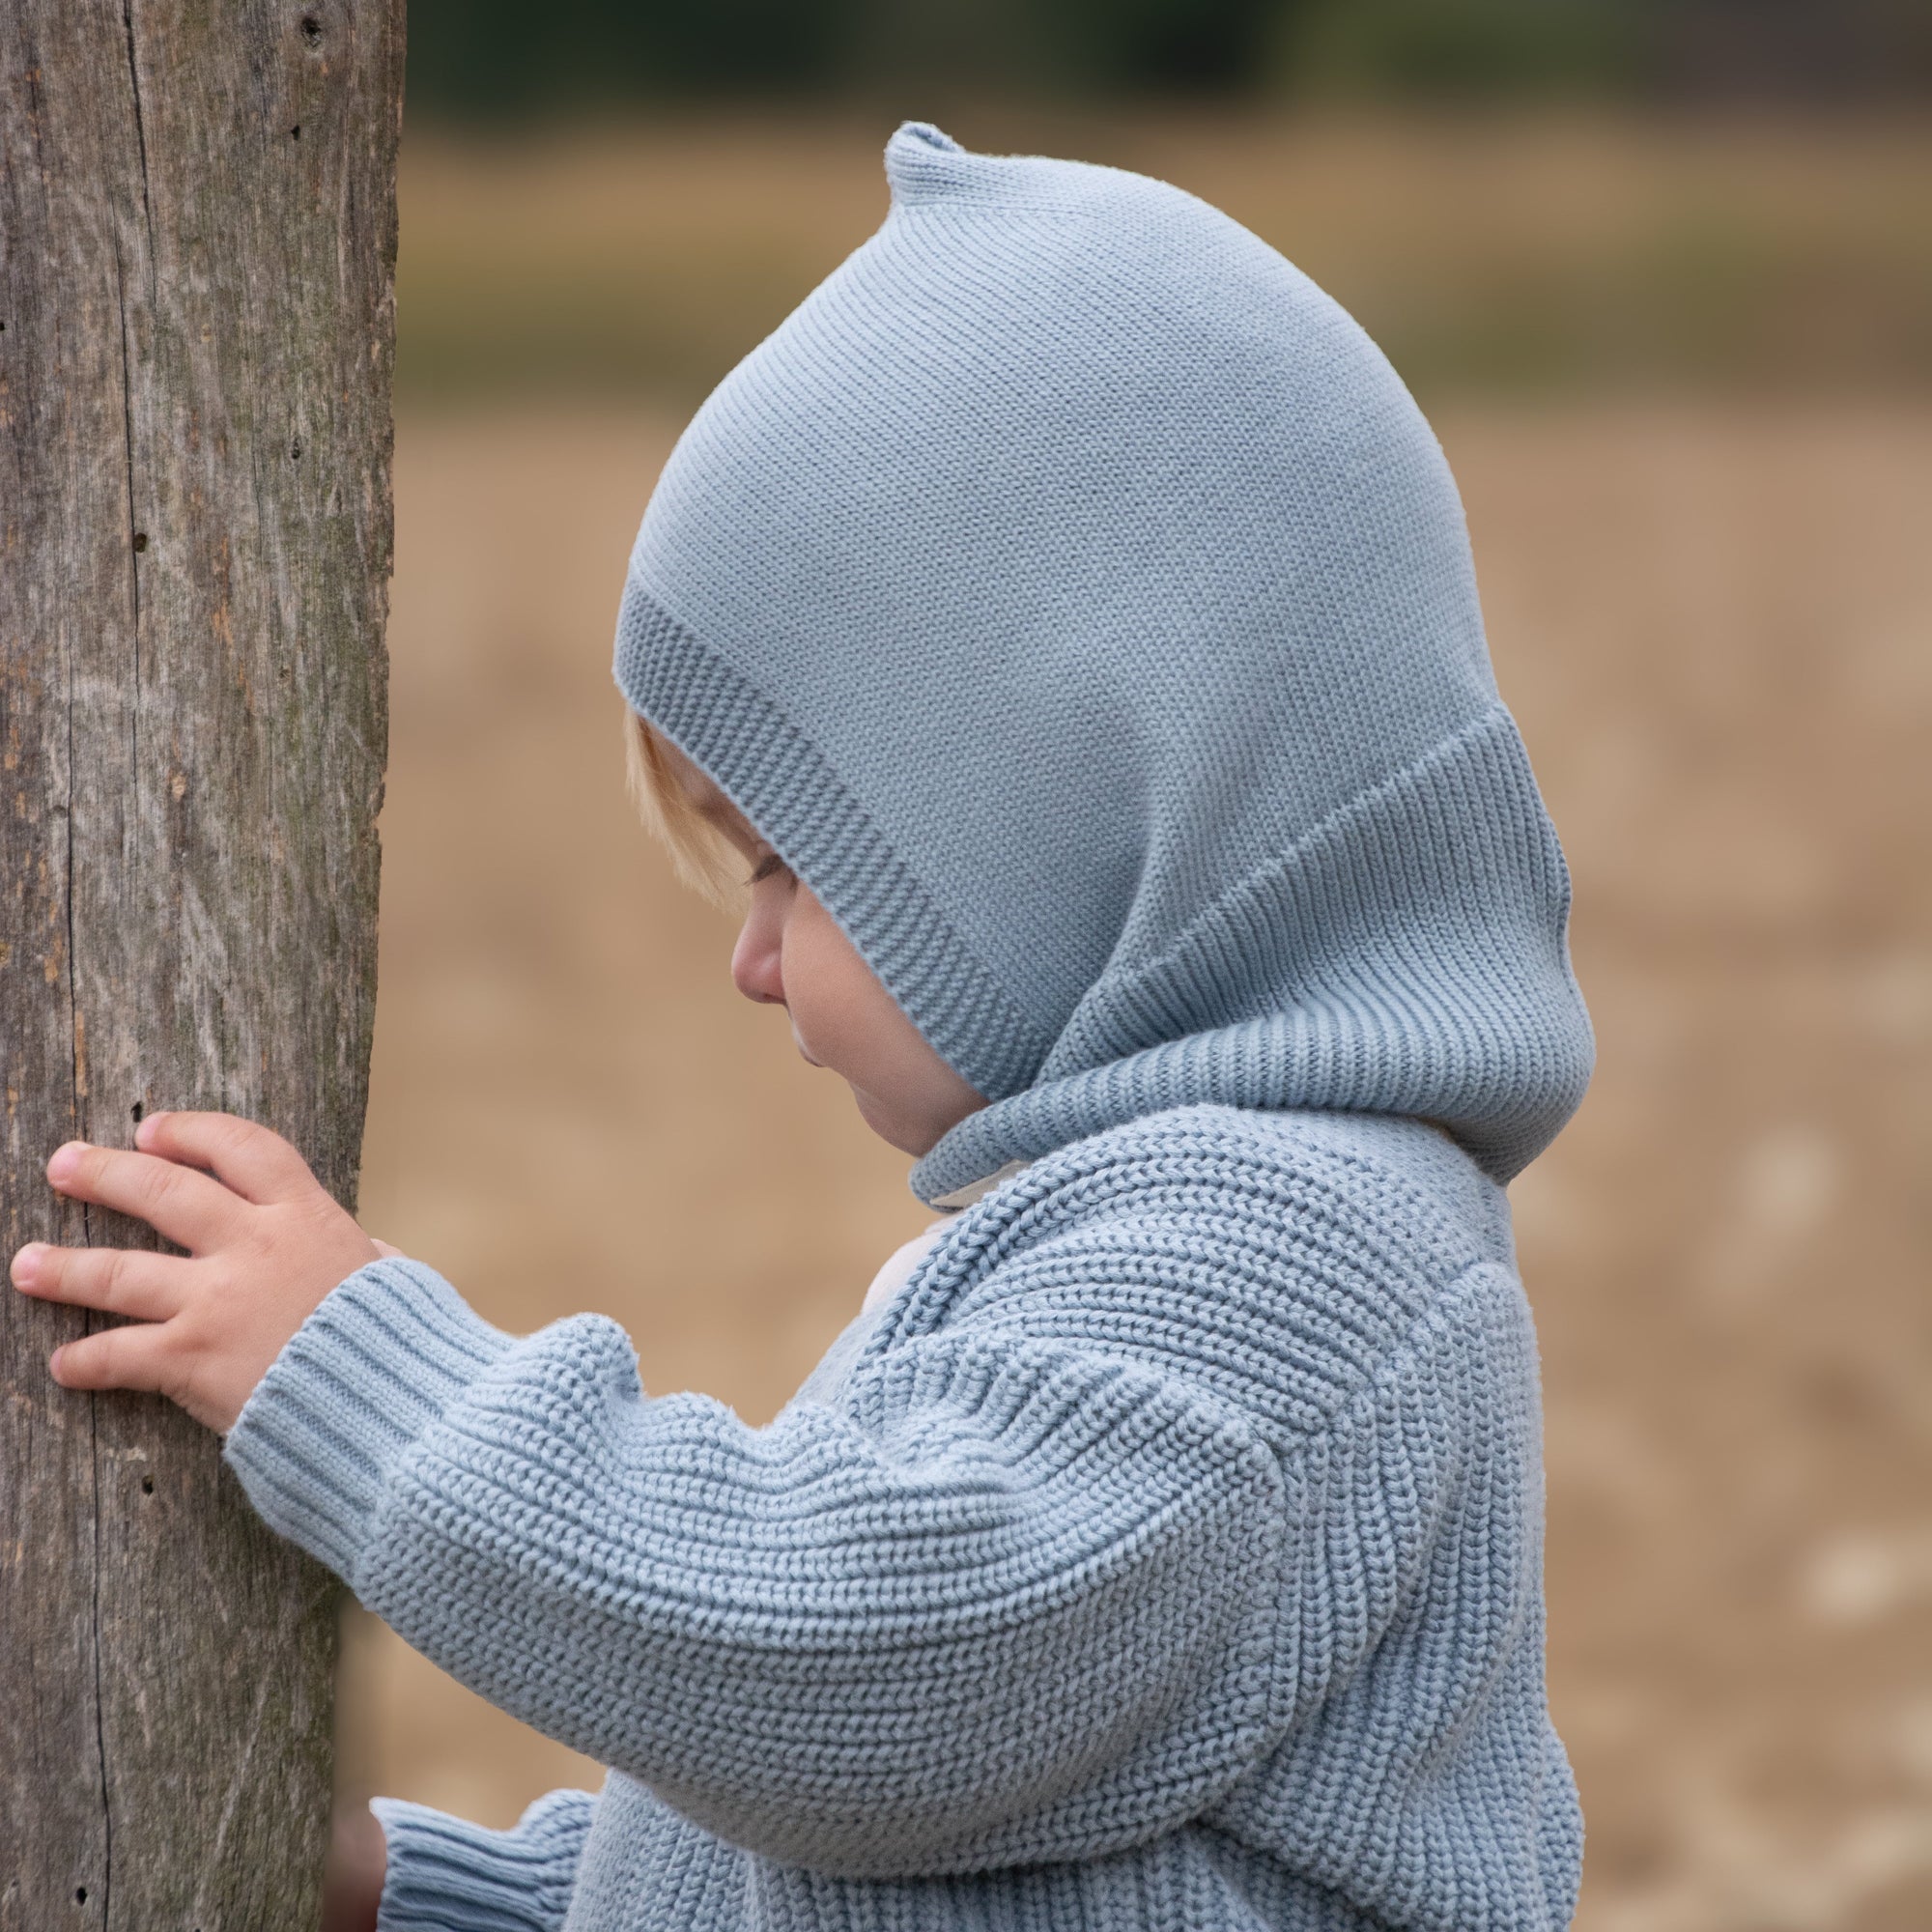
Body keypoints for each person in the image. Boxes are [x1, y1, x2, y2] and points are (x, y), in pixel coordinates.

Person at [10, 123, 1594, 1932]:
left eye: (791, 867)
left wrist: (369, 1384)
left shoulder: (1297, 1260)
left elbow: (869, 1674)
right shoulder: (1150, 1235)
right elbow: (861, 1856)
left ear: (1061, 822)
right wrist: (415, 1897)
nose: (753, 961)